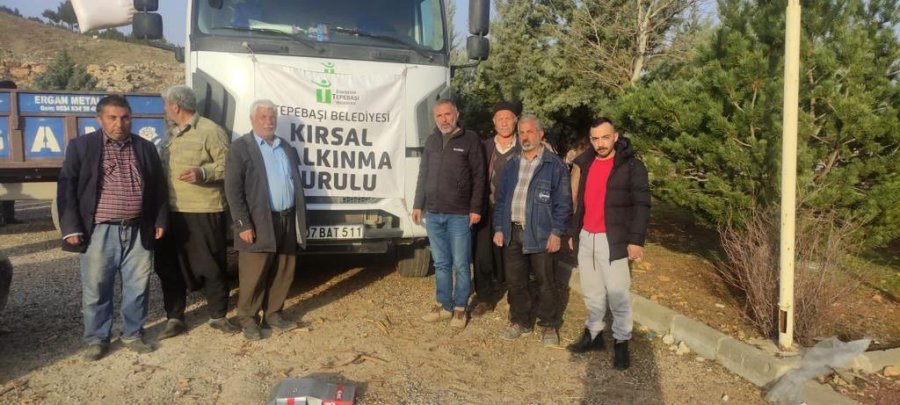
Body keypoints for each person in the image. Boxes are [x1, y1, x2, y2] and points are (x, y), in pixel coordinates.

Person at [57, 95, 168, 361]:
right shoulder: (82, 146)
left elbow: (159, 188)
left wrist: (160, 220)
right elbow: (66, 188)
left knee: (138, 286)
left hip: (138, 230)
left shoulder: (144, 148)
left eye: (125, 117)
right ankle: (97, 339)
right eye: (113, 117)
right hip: (99, 231)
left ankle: (133, 333)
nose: (120, 123)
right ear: (100, 119)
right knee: (96, 287)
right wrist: (71, 227)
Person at [566, 117, 650, 370]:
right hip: (587, 236)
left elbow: (642, 205)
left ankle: (622, 342)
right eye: (595, 139)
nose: (600, 143)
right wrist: (574, 232)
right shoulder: (585, 164)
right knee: (592, 291)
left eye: (605, 137)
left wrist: (636, 240)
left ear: (615, 136)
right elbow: (579, 203)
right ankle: (593, 335)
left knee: (617, 293)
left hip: (613, 239)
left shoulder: (631, 166)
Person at [155, 85, 238, 340]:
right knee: (170, 268)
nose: (165, 110)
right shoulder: (170, 135)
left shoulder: (210, 131)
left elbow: (229, 165)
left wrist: (203, 173)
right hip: (172, 211)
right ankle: (175, 318)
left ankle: (218, 316)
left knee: (211, 266)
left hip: (203, 210)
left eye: (166, 105)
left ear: (175, 107)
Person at [225, 99, 308, 341]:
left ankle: (273, 314)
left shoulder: (286, 148)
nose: (268, 121)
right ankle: (248, 319)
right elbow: (233, 190)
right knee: (254, 273)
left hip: (286, 218)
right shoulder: (241, 148)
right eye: (262, 117)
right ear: (252, 120)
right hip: (258, 221)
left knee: (284, 269)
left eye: (272, 117)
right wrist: (243, 224)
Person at [492, 115, 571, 346]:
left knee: (546, 282)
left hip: (541, 233)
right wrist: (499, 228)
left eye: (530, 132)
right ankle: (520, 321)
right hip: (512, 231)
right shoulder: (512, 164)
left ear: (540, 134)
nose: (525, 137)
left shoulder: (554, 165)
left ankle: (548, 325)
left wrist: (557, 232)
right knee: (516, 282)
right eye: (522, 133)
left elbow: (563, 203)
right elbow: (502, 199)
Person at [412, 99, 485, 329]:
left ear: (456, 114)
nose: (444, 119)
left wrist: (475, 208)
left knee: (461, 264)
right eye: (439, 116)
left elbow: (479, 176)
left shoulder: (470, 139)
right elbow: (423, 173)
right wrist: (418, 204)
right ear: (435, 119)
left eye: (448, 114)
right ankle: (444, 305)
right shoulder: (432, 141)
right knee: (441, 263)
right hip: (434, 212)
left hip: (459, 214)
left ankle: (460, 308)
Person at [471, 101, 520, 317]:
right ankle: (484, 297)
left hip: (513, 210)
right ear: (494, 122)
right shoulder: (485, 146)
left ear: (515, 120)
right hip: (486, 207)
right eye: (500, 119)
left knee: (511, 254)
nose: (504, 123)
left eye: (508, 118)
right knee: (482, 255)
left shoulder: (524, 146)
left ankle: (514, 298)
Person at [0, 79, 22, 227]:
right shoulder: (14, 106)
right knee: (12, 186)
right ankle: (8, 217)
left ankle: (8, 217)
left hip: (7, 155)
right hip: (11, 155)